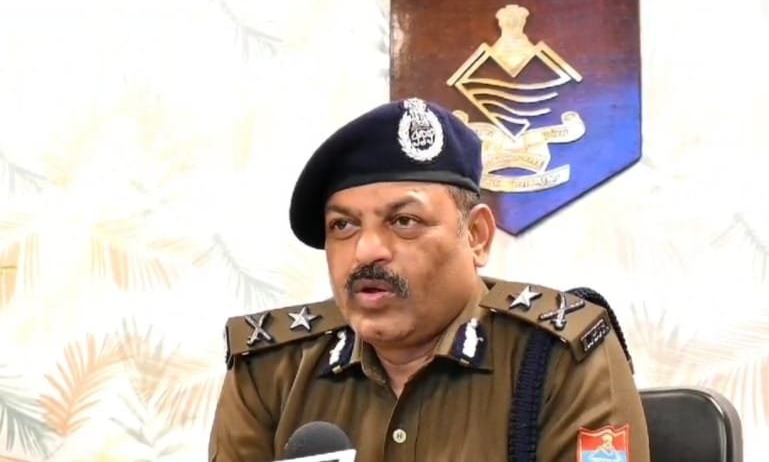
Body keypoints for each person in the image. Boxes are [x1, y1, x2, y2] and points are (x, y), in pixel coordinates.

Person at [208, 97, 650, 462]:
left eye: (404, 221)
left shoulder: (558, 356)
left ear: (476, 236)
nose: (366, 251)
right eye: (343, 226)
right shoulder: (270, 371)